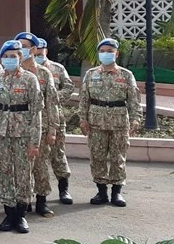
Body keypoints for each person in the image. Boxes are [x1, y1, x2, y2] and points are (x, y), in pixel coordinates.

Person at [0, 40, 41, 234]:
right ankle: (9, 213)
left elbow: (36, 112)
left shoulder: (29, 79)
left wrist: (35, 141)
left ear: (20, 57)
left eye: (14, 56)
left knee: (23, 174)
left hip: (23, 133)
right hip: (1, 132)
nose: (10, 59)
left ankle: (21, 215)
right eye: (6, 56)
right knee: (4, 172)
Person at [79, 38, 141, 208]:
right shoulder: (91, 74)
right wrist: (83, 119)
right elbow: (84, 99)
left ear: (116, 54)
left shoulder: (126, 75)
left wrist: (136, 119)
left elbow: (134, 101)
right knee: (97, 157)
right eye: (103, 51)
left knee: (118, 157)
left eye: (110, 51)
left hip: (119, 122)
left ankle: (116, 192)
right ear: (98, 53)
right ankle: (101, 191)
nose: (106, 54)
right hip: (96, 121)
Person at [15, 32, 60, 217]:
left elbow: (52, 102)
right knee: (20, 168)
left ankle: (42, 201)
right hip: (16, 127)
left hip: (40, 126)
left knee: (40, 167)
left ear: (33, 49)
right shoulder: (11, 71)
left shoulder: (44, 73)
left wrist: (52, 130)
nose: (20, 49)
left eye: (24, 46)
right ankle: (23, 202)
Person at [36, 37, 75, 204]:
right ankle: (35, 192)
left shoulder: (57, 69)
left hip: (54, 118)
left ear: (46, 51)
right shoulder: (25, 69)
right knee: (36, 158)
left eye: (40, 52)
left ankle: (63, 189)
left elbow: (69, 86)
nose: (38, 55)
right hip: (34, 120)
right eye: (35, 52)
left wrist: (53, 98)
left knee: (57, 154)